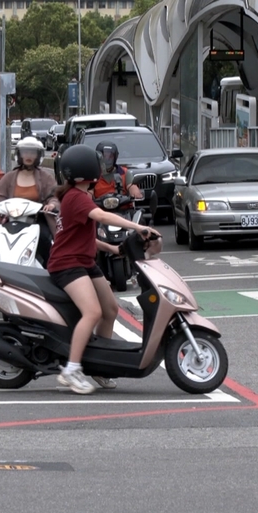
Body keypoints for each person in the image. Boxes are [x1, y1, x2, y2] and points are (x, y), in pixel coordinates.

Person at [48, 144, 161, 394]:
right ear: (89, 170)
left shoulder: (81, 196)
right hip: (67, 265)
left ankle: (99, 365)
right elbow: (103, 217)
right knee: (92, 312)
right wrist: (135, 227)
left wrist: (111, 249)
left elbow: (82, 234)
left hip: (84, 261)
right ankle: (71, 369)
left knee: (110, 310)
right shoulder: (77, 197)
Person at [0, 136, 59, 265]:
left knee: (44, 239)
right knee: (0, 241)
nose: (28, 156)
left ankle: (52, 268)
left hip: (36, 220)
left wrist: (52, 204)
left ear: (38, 155)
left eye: (32, 152)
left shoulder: (46, 177)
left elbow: (53, 195)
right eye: (25, 152)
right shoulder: (9, 177)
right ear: (19, 154)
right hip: (11, 219)